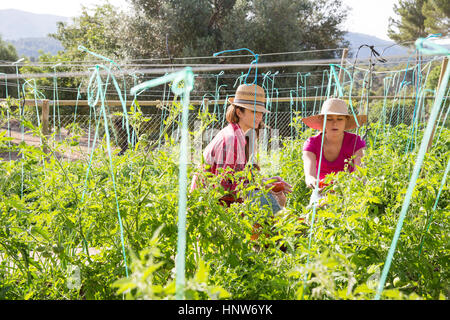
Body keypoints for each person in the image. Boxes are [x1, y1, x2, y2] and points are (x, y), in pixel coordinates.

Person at [190, 83, 292, 214]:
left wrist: (269, 182)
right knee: (269, 203)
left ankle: (271, 228)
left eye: (261, 112)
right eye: (254, 111)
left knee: (277, 199)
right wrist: (264, 188)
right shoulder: (232, 139)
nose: (259, 116)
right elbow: (226, 187)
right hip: (210, 205)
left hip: (220, 200)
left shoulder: (241, 136)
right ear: (239, 112)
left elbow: (241, 177)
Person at [301, 98, 367, 208]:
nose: (335, 123)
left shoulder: (356, 142)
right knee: (315, 212)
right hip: (321, 191)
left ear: (346, 121)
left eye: (340, 119)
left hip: (348, 191)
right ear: (323, 121)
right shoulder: (312, 143)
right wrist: (315, 184)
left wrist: (344, 188)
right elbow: (309, 176)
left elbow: (359, 173)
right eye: (329, 119)